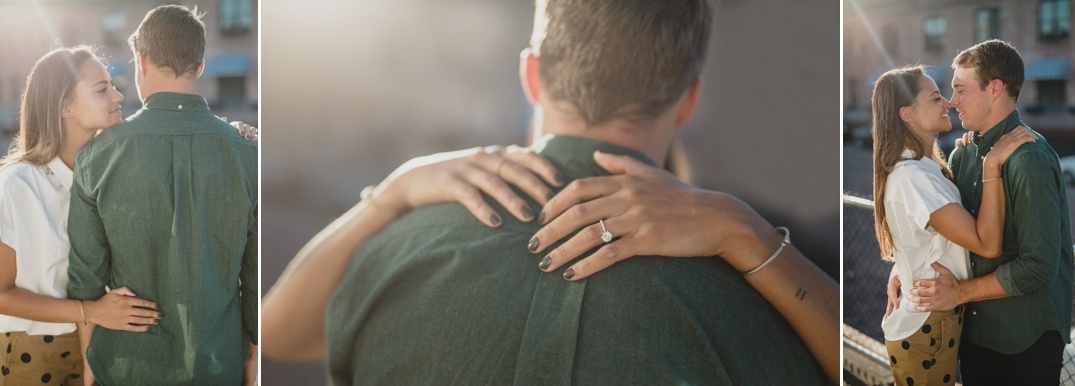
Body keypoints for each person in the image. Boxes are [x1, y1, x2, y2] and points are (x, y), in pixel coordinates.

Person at [263, 0, 839, 383]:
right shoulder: (761, 307)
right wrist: (750, 233)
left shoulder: (396, 251)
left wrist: (388, 197)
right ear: (687, 101)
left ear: (532, 76)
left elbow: (275, 334)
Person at [65, 5, 257, 385]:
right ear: (199, 66)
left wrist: (90, 363)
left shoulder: (97, 156)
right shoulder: (247, 153)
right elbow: (254, 275)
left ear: (141, 60)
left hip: (125, 366)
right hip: (219, 365)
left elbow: (85, 278)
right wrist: (253, 355)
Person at [897, 40, 1073, 385]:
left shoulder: (1029, 159)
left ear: (994, 88)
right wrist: (899, 270)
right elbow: (948, 231)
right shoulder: (962, 155)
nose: (952, 101)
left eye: (961, 90)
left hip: (1025, 338)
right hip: (974, 334)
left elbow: (1039, 267)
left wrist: (960, 293)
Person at [0, 45, 165, 386]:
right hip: (31, 352)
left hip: (104, 345)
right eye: (102, 89)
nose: (118, 96)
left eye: (113, 85)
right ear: (64, 105)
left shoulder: (116, 174)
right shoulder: (16, 185)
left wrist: (235, 136)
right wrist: (90, 311)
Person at [870, 65, 1033, 385]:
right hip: (927, 323)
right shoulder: (912, 176)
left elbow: (921, 235)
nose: (947, 101)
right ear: (908, 114)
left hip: (933, 318)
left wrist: (904, 267)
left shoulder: (925, 165)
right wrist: (992, 164)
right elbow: (986, 243)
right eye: (934, 98)